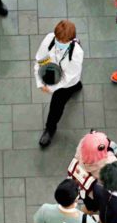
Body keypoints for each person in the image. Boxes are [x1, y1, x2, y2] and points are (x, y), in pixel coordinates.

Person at [35, 20, 86, 148]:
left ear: (71, 40)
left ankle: (50, 129)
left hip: (67, 82)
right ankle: (77, 87)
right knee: (74, 85)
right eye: (58, 39)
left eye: (63, 42)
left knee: (57, 105)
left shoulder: (76, 54)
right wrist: (40, 82)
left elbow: (68, 77)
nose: (59, 43)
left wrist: (52, 88)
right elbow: (40, 60)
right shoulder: (49, 39)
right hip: (54, 71)